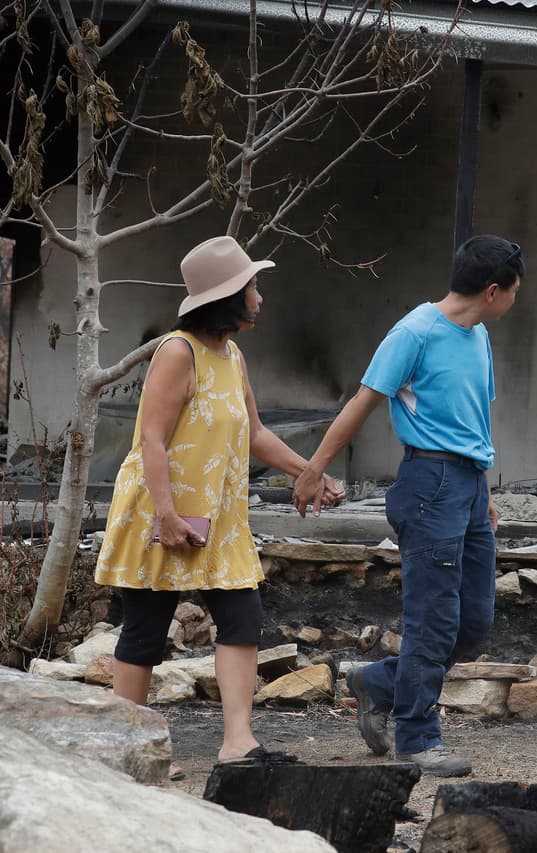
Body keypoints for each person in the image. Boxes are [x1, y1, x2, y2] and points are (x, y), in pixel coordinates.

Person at [95, 236, 343, 768]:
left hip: (220, 517)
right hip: (160, 509)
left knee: (243, 617)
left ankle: (238, 743)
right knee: (145, 629)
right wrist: (165, 514)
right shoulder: (177, 351)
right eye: (253, 288)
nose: (260, 298)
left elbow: (256, 433)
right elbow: (151, 440)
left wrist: (309, 472)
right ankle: (126, 753)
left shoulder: (232, 356)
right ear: (228, 297)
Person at [291, 234, 523, 777]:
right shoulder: (414, 332)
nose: (517, 297)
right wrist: (314, 468)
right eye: (515, 289)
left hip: (469, 486)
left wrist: (485, 491)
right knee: (433, 620)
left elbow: (474, 417)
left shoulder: (479, 335)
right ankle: (418, 738)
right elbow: (362, 401)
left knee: (473, 622)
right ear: (493, 290)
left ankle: (379, 682)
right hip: (429, 484)